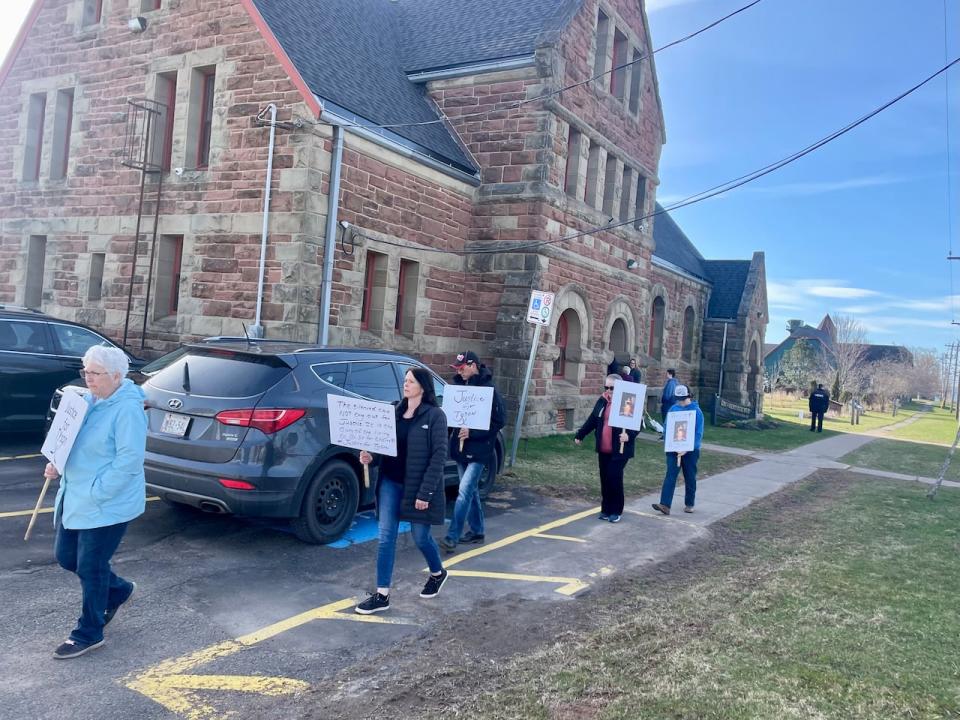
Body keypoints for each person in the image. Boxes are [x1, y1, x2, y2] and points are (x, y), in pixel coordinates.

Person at [45, 345, 147, 659]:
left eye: (95, 373)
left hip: (106, 502)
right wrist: (57, 461)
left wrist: (97, 491)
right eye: (85, 371)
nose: (88, 378)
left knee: (91, 566)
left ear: (117, 376)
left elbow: (129, 460)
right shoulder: (87, 401)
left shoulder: (127, 409)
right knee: (67, 558)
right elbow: (68, 440)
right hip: (75, 495)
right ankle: (118, 590)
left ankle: (88, 632)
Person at [356, 367, 449, 614]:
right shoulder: (394, 411)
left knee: (420, 537)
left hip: (417, 486)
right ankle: (382, 594)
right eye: (404, 381)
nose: (405, 384)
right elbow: (382, 447)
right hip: (389, 482)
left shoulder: (435, 416)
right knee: (386, 537)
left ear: (422, 386)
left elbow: (439, 456)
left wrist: (425, 493)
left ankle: (437, 573)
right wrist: (370, 457)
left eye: (410, 381)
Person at [441, 351, 505, 554]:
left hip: (480, 450)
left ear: (473, 365)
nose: (459, 372)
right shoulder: (458, 387)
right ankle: (477, 531)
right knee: (471, 491)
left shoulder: (489, 389)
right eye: (457, 369)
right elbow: (451, 418)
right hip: (460, 449)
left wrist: (473, 432)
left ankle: (452, 536)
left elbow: (499, 421)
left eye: (462, 368)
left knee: (464, 492)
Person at [574, 374, 640, 523]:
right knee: (604, 478)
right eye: (606, 387)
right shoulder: (602, 400)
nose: (609, 390)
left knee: (613, 477)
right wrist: (581, 434)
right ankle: (606, 508)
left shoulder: (627, 401)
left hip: (620, 450)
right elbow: (593, 419)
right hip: (604, 448)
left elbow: (638, 424)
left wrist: (629, 436)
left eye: (612, 388)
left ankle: (616, 510)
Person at [652, 384, 704, 516]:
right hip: (674, 449)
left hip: (691, 451)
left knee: (690, 476)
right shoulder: (673, 409)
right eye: (678, 399)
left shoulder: (696, 412)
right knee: (670, 474)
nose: (680, 402)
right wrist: (668, 441)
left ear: (689, 396)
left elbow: (698, 433)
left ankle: (689, 503)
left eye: (683, 399)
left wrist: (687, 448)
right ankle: (665, 504)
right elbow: (668, 427)